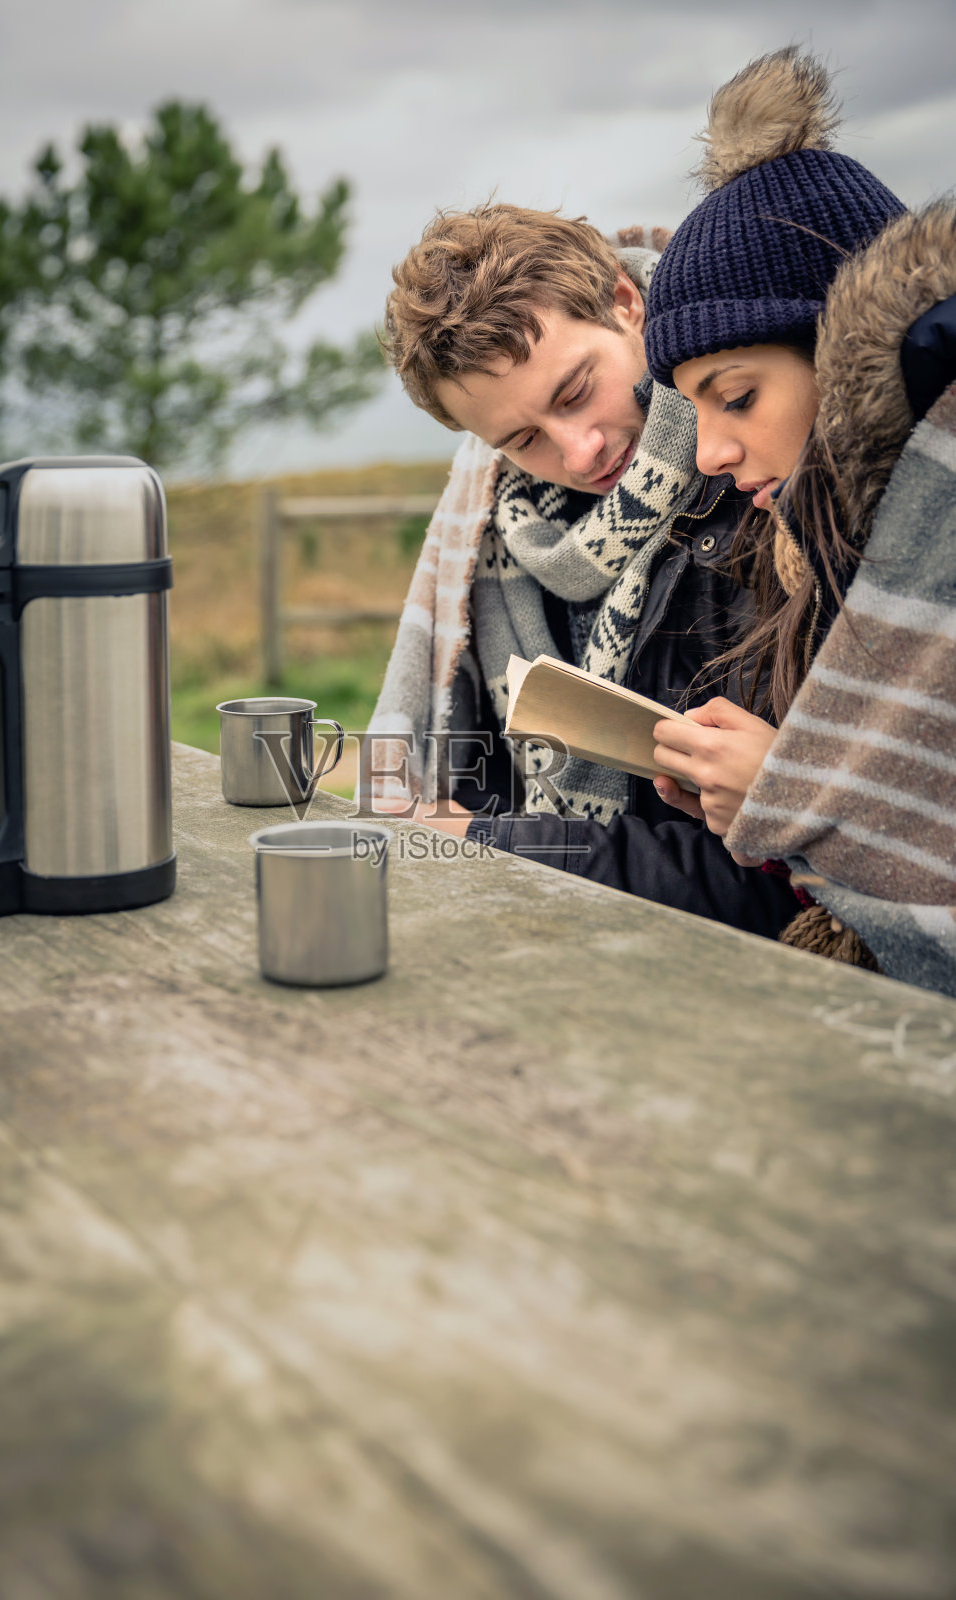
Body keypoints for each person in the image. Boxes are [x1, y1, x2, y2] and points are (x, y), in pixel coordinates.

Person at [362, 205, 803, 938]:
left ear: (626, 305)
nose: (579, 453)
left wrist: (490, 847)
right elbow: (479, 787)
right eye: (523, 437)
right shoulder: (492, 539)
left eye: (573, 392)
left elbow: (777, 882)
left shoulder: (763, 492)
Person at [644, 48, 956, 993]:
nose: (706, 453)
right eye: (689, 411)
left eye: (734, 396)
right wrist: (759, 802)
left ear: (846, 356)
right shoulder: (819, 561)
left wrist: (793, 794)